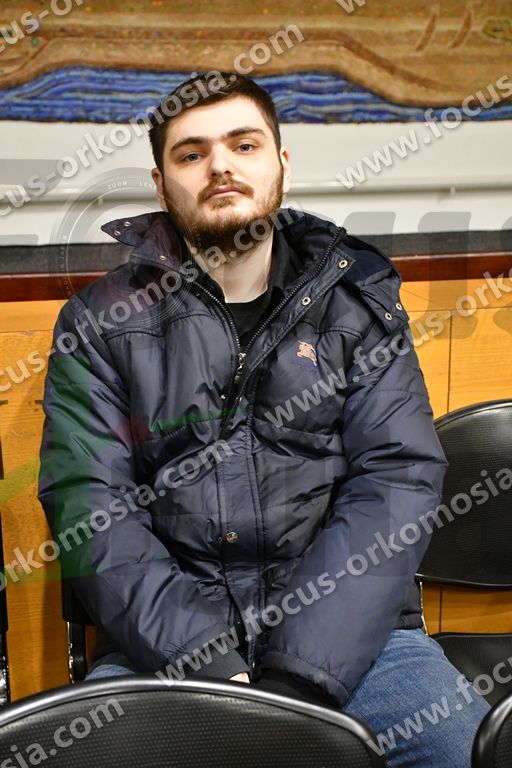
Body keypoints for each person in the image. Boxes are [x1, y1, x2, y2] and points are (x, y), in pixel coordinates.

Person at [38, 72, 490, 767]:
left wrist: (300, 677)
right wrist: (212, 666)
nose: (220, 165)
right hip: (163, 652)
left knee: (463, 752)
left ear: (281, 162)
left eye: (243, 145)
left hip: (360, 645)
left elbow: (397, 479)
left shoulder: (358, 303)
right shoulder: (99, 321)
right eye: (192, 154)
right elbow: (91, 507)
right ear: (161, 185)